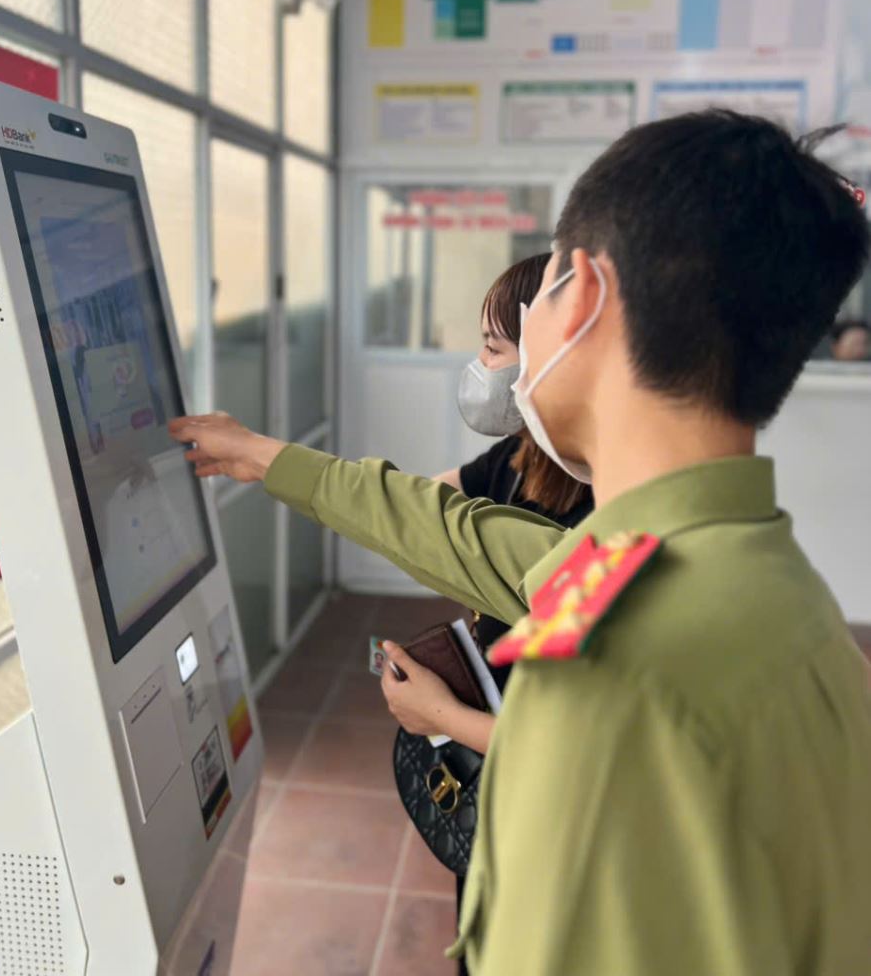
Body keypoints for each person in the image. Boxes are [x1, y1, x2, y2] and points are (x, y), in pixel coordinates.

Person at [171, 110, 871, 976]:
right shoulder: (768, 593)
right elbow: (466, 537)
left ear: (582, 297)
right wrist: (263, 457)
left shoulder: (607, 673)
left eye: (539, 296)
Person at [380, 254, 593, 976]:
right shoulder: (519, 457)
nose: (481, 368)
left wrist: (437, 713)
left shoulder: (606, 521)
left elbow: (566, 744)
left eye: (495, 348)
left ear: (548, 354)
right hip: (497, 791)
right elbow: (419, 507)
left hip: (549, 810)